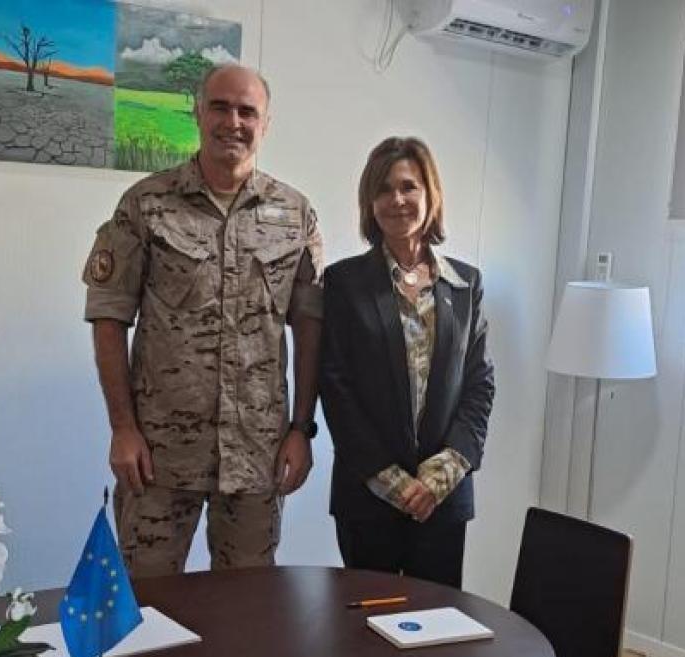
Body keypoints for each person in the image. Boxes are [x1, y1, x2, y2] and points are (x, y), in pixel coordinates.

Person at [82, 65, 324, 578]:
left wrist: (302, 428)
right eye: (219, 107)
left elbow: (310, 329)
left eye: (246, 111)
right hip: (161, 454)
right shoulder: (146, 204)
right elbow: (108, 317)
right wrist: (122, 429)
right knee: (145, 602)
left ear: (265, 123)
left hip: (257, 455)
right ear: (197, 112)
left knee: (245, 612)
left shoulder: (296, 214)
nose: (232, 121)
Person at [319, 136, 494, 588]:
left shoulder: (465, 283)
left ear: (430, 195)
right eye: (383, 189)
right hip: (369, 495)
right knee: (363, 632)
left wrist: (441, 475)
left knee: (436, 630)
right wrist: (393, 482)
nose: (396, 200)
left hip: (442, 497)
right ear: (368, 203)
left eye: (408, 187)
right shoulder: (344, 282)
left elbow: (479, 383)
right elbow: (335, 386)